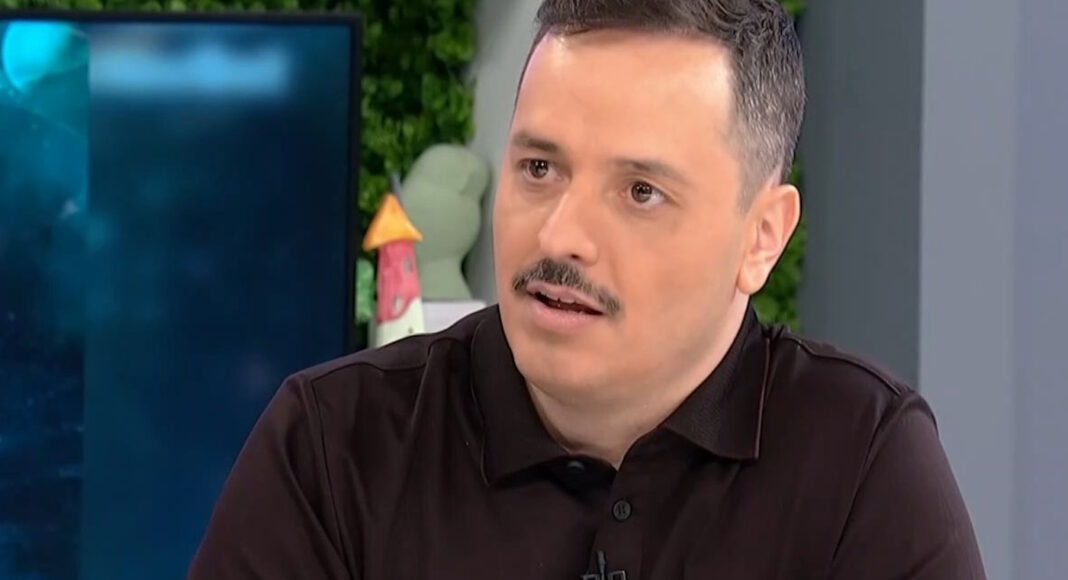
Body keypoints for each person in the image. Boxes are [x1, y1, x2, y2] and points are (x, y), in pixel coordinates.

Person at [188, 0, 986, 578]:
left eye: (640, 191)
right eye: (539, 168)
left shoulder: (860, 464)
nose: (560, 235)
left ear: (761, 238)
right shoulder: (333, 446)